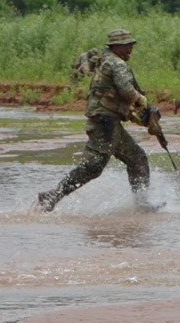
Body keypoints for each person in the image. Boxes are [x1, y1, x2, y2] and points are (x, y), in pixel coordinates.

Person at [38, 28, 153, 211]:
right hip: (105, 123)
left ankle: (141, 204)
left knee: (137, 159)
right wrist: (141, 100)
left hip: (109, 121)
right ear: (116, 46)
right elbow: (125, 90)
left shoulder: (106, 60)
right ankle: (53, 195)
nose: (130, 49)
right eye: (126, 46)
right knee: (94, 165)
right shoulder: (117, 63)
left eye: (131, 45)